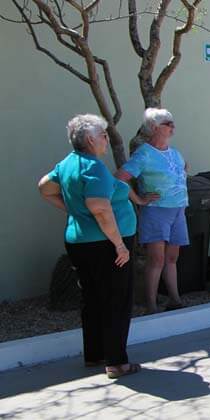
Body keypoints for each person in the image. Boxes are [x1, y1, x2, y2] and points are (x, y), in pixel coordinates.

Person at [38, 114, 142, 379]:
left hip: (80, 242)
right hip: (104, 245)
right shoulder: (92, 167)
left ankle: (95, 354)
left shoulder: (66, 164)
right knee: (116, 300)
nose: (107, 139)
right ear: (90, 139)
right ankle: (117, 363)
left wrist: (75, 210)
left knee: (93, 298)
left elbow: (45, 188)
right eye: (103, 135)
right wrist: (119, 244)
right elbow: (100, 208)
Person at [115, 108, 187, 313]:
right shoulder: (144, 154)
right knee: (157, 259)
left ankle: (175, 298)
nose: (172, 127)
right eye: (168, 123)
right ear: (155, 127)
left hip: (178, 210)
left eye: (172, 123)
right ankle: (151, 304)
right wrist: (138, 199)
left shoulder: (175, 153)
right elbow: (120, 177)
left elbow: (179, 172)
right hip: (156, 211)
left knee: (172, 257)